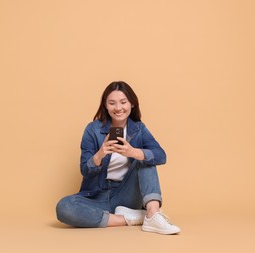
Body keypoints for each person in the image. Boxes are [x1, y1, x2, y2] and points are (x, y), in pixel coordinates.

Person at [56, 81, 180, 235]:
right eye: (112, 103)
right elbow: (85, 171)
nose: (118, 108)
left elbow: (161, 156)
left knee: (145, 158)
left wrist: (133, 152)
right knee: (64, 207)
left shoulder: (139, 129)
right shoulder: (92, 130)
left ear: (132, 104)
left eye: (123, 102)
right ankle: (133, 218)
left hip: (127, 194)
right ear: (106, 106)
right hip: (97, 196)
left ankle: (153, 214)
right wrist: (100, 154)